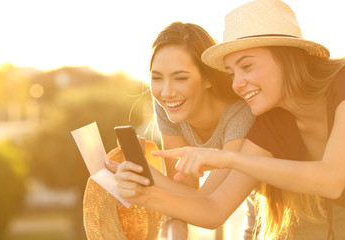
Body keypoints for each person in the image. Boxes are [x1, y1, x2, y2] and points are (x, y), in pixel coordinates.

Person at [114, 0, 345, 239]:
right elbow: (214, 209)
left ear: (287, 56)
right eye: (231, 73)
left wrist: (228, 158)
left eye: (247, 66)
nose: (237, 84)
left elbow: (332, 180)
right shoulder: (273, 122)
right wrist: (143, 194)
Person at [107, 21, 255, 239]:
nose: (166, 92)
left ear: (208, 77)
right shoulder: (168, 105)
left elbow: (208, 201)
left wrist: (146, 173)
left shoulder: (241, 111)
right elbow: (183, 187)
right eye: (157, 78)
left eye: (181, 78)